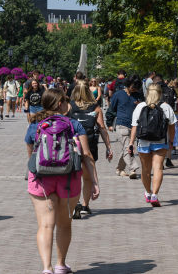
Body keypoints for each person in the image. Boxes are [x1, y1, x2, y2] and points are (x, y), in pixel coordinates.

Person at [25, 88, 99, 274]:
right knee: (64, 223)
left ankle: (46, 268)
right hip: (69, 178)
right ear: (60, 104)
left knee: (45, 225)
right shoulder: (74, 124)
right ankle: (60, 265)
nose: (69, 104)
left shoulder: (35, 124)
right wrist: (95, 182)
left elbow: (30, 154)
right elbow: (87, 154)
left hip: (41, 178)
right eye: (66, 100)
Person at [68, 82, 111, 218]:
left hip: (72, 145)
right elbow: (102, 128)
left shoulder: (69, 106)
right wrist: (108, 147)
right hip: (90, 144)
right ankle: (85, 205)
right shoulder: (95, 107)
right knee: (87, 177)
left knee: (73, 177)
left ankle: (75, 204)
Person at [129, 83, 176, 206]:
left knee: (146, 169)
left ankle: (148, 192)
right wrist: (171, 141)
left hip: (143, 142)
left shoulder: (140, 106)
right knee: (158, 168)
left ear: (147, 92)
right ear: (160, 93)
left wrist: (131, 143)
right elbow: (172, 127)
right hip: (160, 141)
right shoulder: (166, 107)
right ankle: (155, 194)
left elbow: (134, 126)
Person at [106, 77, 143, 178]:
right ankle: (133, 169)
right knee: (128, 147)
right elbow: (111, 110)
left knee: (125, 148)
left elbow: (143, 108)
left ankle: (120, 169)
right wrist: (109, 124)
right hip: (121, 125)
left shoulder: (138, 96)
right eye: (133, 87)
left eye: (136, 88)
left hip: (134, 126)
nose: (134, 90)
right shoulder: (118, 94)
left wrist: (139, 104)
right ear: (128, 84)